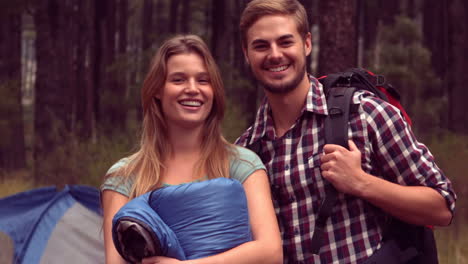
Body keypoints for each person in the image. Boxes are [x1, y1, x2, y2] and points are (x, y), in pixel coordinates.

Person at [234, 0, 457, 263]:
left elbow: (442, 207)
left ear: (306, 43)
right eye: (261, 45)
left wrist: (361, 182)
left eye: (285, 42)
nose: (274, 54)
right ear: (246, 53)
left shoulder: (364, 114)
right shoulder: (246, 151)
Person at [101, 35, 282, 264]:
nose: (193, 89)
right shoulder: (123, 177)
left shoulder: (243, 165)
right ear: (157, 89)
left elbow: (270, 252)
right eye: (178, 80)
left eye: (203, 80)